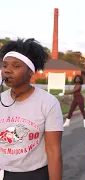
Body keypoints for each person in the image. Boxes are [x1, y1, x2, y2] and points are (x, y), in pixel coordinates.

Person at [0, 38, 63, 180]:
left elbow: (53, 151)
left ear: (30, 71)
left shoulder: (48, 103)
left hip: (36, 174)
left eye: (16, 66)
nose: (7, 71)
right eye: (5, 66)